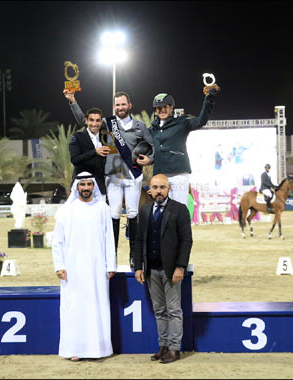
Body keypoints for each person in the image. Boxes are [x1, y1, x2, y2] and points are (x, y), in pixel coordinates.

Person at [64, 89, 154, 267]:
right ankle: (111, 257)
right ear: (114, 106)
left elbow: (151, 147)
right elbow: (84, 120)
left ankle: (134, 257)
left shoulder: (140, 126)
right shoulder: (106, 123)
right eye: (117, 104)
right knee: (112, 215)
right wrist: (72, 100)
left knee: (133, 214)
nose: (120, 107)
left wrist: (151, 159)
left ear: (129, 105)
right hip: (112, 176)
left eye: (123, 104)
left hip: (133, 176)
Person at [51, 171, 116, 361]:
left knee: (98, 306)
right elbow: (58, 241)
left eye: (89, 184)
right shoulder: (66, 211)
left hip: (97, 269)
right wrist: (59, 266)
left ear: (93, 186)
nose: (86, 188)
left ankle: (99, 350)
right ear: (76, 187)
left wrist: (110, 264)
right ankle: (75, 350)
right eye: (82, 185)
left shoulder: (103, 208)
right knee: (74, 308)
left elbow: (109, 239)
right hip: (73, 270)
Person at [132, 174, 193, 364]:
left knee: (174, 310)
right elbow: (139, 240)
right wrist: (139, 267)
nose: (159, 191)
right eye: (155, 187)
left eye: (162, 187)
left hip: (171, 270)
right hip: (151, 271)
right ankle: (163, 346)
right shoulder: (145, 210)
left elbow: (186, 241)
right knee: (159, 311)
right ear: (149, 189)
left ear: (169, 189)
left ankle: (175, 349)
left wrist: (180, 266)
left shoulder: (180, 210)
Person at [148, 85, 219, 205]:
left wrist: (208, 99)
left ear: (172, 108)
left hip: (179, 174)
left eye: (165, 107)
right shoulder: (152, 129)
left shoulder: (182, 123)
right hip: (160, 174)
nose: (162, 110)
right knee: (162, 210)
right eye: (159, 108)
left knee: (179, 209)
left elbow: (201, 120)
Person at [68, 108, 109, 196]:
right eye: (91, 120)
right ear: (86, 121)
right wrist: (94, 152)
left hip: (100, 187)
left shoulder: (106, 138)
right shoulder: (77, 137)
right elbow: (74, 160)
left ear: (101, 122)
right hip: (81, 187)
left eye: (97, 120)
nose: (94, 124)